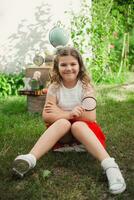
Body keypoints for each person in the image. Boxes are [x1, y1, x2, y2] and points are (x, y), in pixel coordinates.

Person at [12, 47, 126, 194]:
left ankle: (110, 166)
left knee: (78, 125)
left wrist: (60, 112)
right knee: (63, 123)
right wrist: (68, 114)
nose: (68, 68)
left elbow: (90, 117)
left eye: (73, 64)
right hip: (63, 135)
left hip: (86, 133)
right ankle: (30, 159)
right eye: (63, 65)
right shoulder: (54, 87)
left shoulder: (86, 87)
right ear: (57, 68)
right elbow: (47, 116)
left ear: (79, 66)